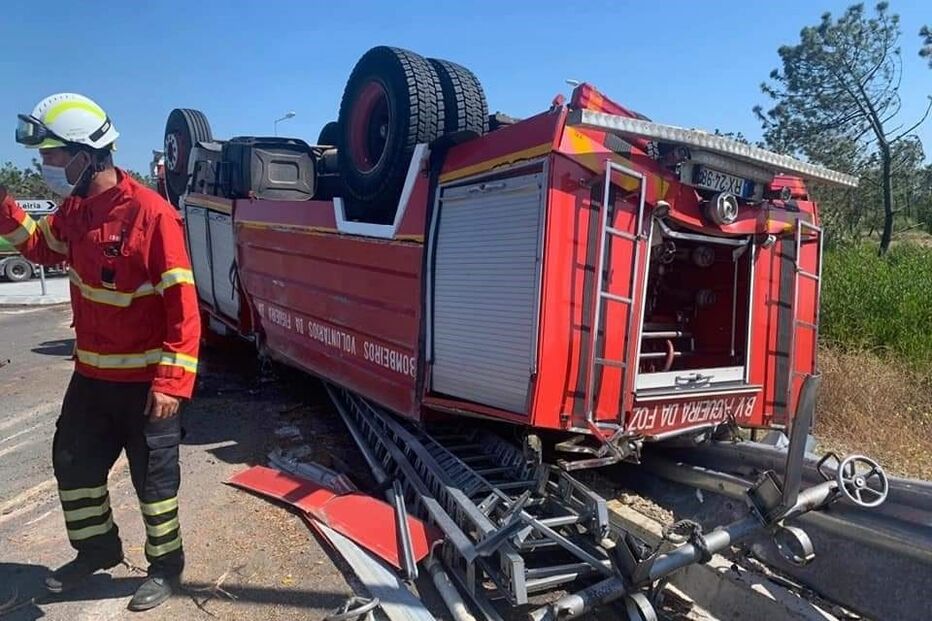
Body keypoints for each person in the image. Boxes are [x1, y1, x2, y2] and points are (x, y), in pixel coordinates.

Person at [0, 93, 201, 611]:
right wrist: (4, 205)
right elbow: (41, 246)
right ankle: (97, 550)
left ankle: (165, 566)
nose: (44, 166)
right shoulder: (76, 210)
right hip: (91, 378)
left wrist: (173, 383)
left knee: (154, 485)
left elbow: (183, 306)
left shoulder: (150, 215)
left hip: (145, 387)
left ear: (86, 156)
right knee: (74, 464)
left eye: (51, 156)